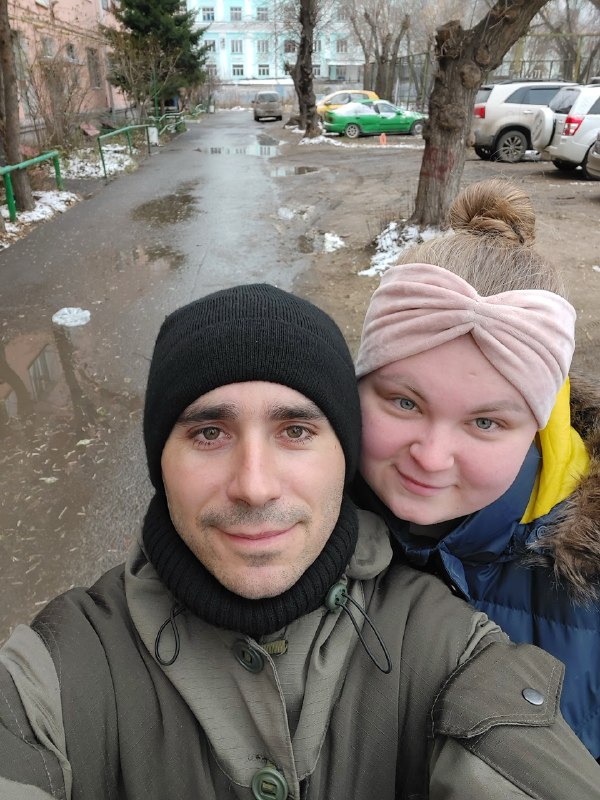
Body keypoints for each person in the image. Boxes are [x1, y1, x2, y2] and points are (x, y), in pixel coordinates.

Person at [1, 284, 599, 800]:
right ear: (161, 462)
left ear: (345, 456)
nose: (254, 486)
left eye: (295, 430)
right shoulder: (57, 670)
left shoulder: (446, 645)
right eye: (209, 432)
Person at [353, 178, 600, 759]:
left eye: (485, 422)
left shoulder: (588, 585)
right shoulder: (289, 523)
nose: (431, 457)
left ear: (540, 426)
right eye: (404, 402)